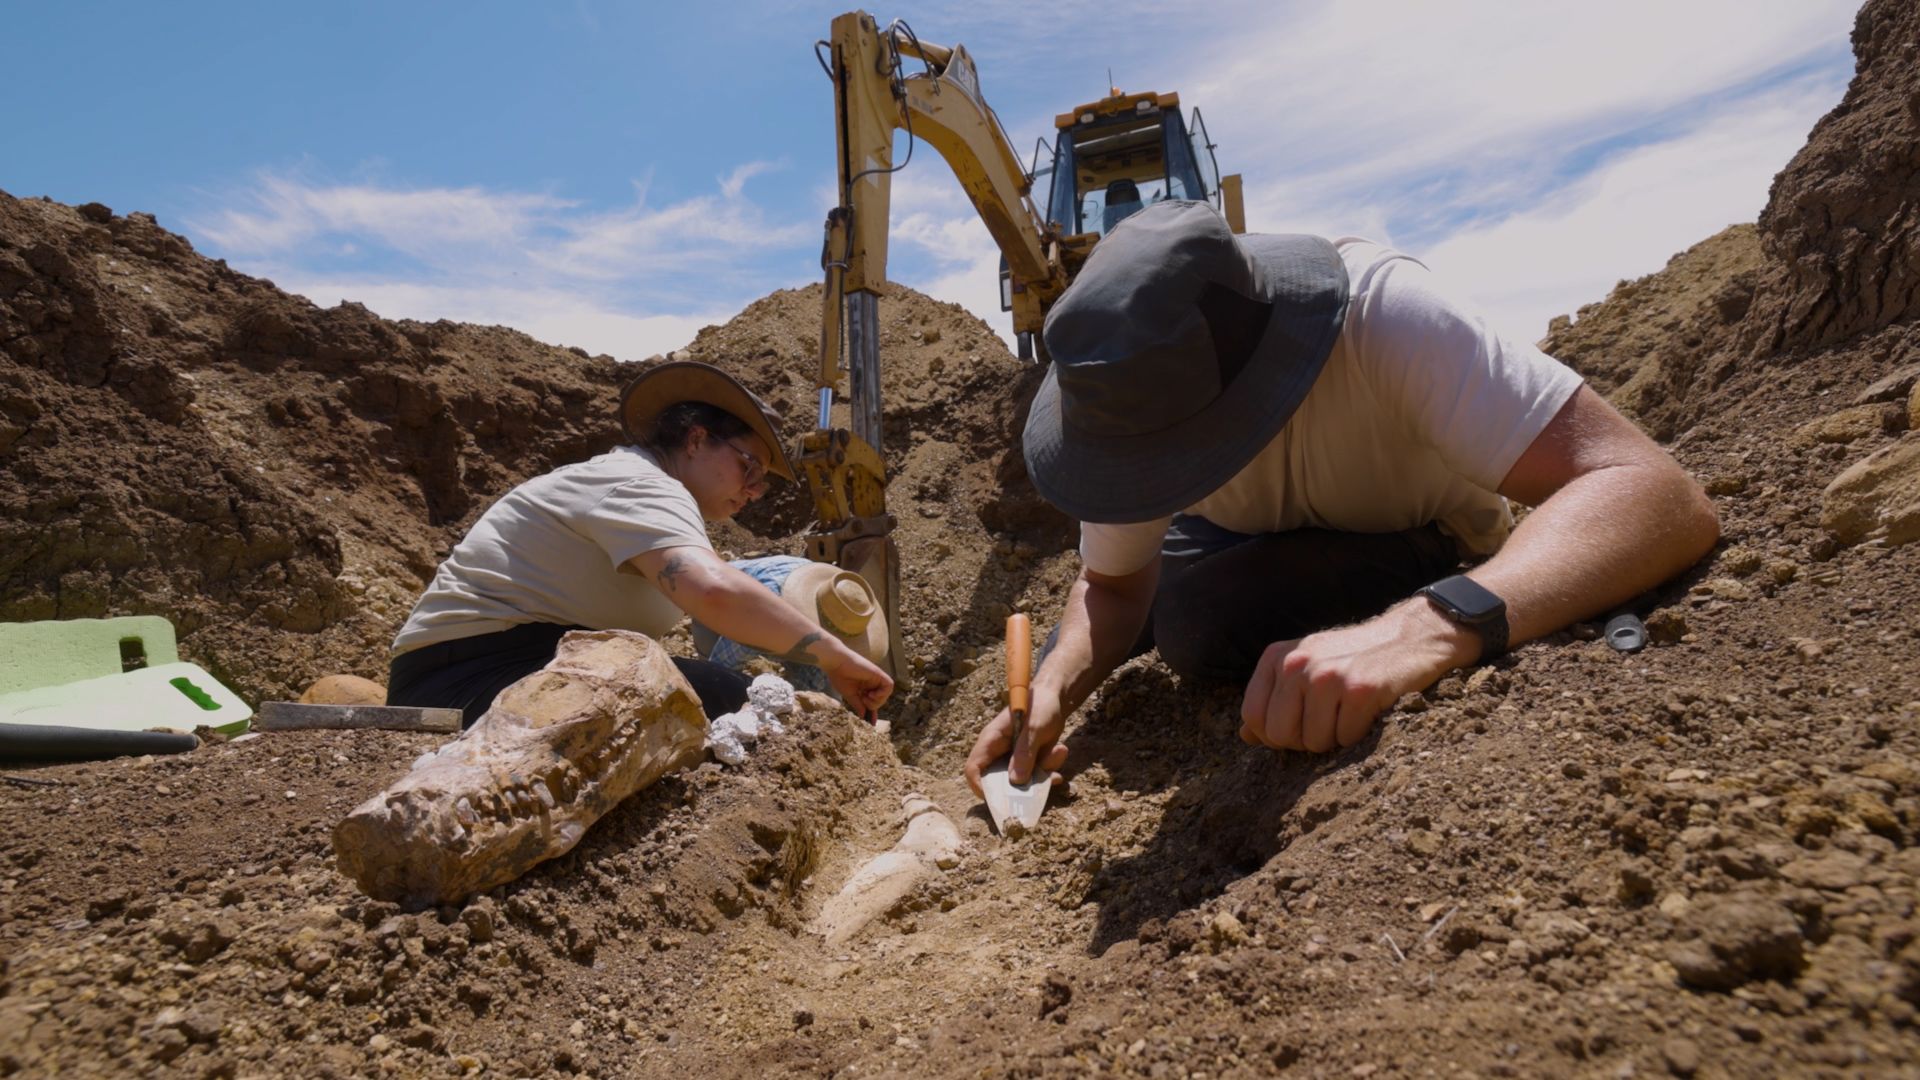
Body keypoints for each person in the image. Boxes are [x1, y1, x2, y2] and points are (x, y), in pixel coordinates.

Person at [964, 201, 1719, 795]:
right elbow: (1111, 584)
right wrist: (1057, 682)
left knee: (1196, 619)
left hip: (1416, 530)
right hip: (1242, 535)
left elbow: (1654, 492)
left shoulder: (1389, 316)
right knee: (1172, 600)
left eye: (1165, 462)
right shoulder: (1134, 388)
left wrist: (1426, 628)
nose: (1144, 483)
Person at [386, 361, 894, 727]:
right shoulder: (637, 483)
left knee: (724, 695)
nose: (755, 488)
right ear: (695, 440)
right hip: (467, 676)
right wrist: (836, 658)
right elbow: (713, 592)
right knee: (726, 700)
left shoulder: (648, 497)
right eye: (749, 465)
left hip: (511, 663)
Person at [691, 555, 892, 699]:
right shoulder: (764, 618)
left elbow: (811, 688)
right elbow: (721, 665)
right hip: (714, 603)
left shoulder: (838, 602)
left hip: (771, 608)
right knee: (715, 685)